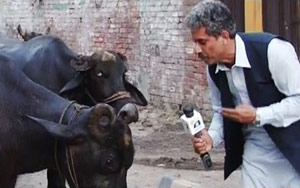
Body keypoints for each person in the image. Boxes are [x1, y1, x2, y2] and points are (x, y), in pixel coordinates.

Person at [184, 0, 300, 187]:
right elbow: (221, 113)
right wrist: (210, 138)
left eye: (202, 42)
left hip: (294, 145)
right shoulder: (213, 70)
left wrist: (258, 115)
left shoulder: (273, 50)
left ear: (223, 36)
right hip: (256, 152)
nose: (196, 50)